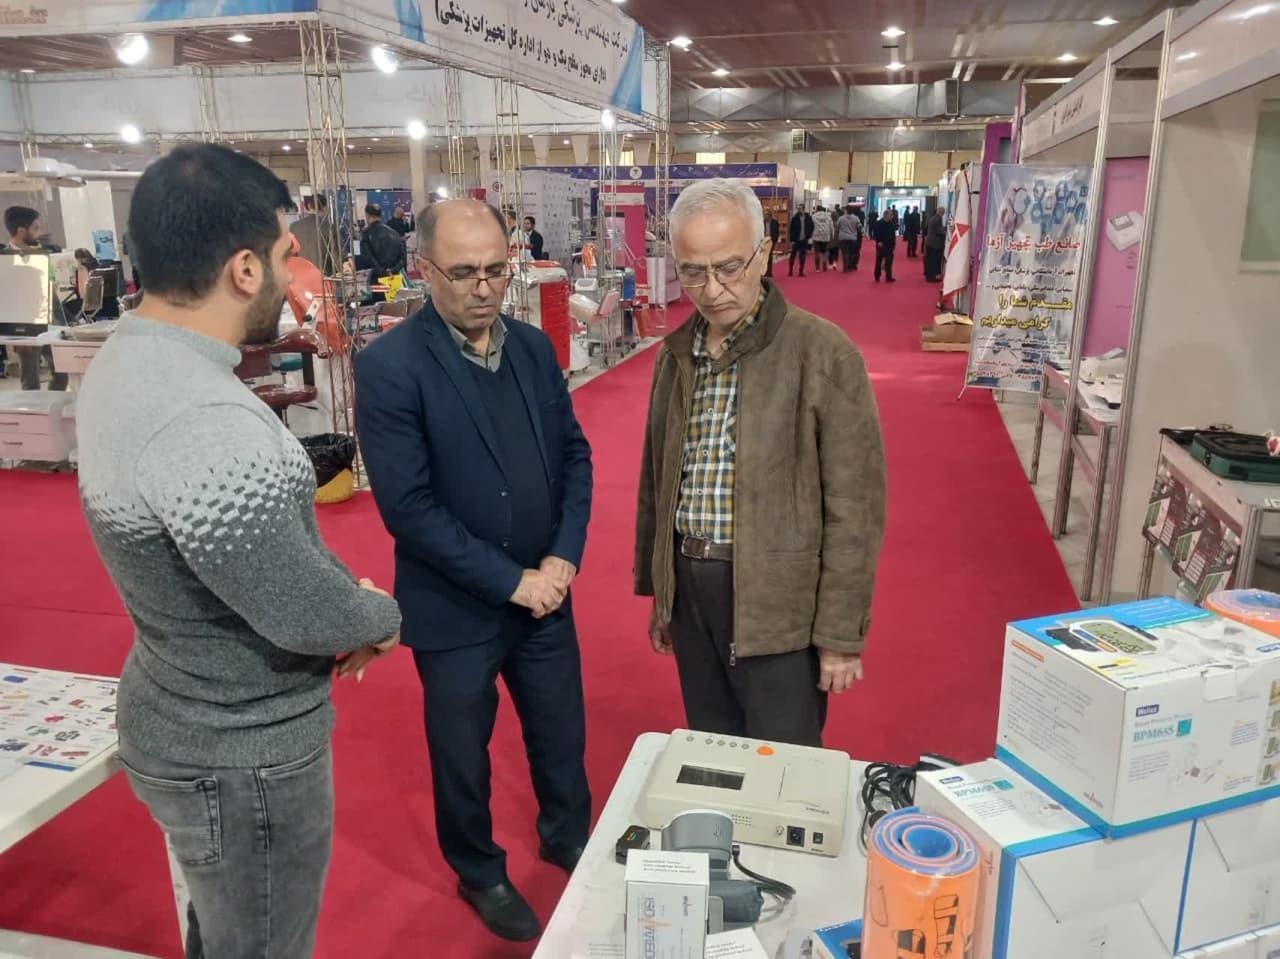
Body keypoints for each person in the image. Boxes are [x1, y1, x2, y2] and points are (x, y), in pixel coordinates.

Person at [74, 144, 403, 959]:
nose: (295, 275)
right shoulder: (205, 418)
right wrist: (375, 614)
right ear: (245, 269)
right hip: (241, 751)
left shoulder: (127, 359)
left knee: (224, 933)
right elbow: (298, 608)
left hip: (181, 709)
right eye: (288, 255)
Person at [355, 200, 593, 943]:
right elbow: (409, 508)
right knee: (462, 751)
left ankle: (568, 836)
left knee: (561, 731)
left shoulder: (532, 347)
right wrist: (511, 580)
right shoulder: (390, 367)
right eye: (464, 273)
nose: (485, 287)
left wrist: (562, 556)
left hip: (546, 591)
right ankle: (479, 870)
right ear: (424, 271)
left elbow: (575, 456)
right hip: (454, 604)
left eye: (497, 269)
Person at [634, 179, 887, 747]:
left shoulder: (822, 352)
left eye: (729, 267)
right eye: (692, 271)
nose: (712, 289)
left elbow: (855, 507)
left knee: (784, 762)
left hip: (778, 597)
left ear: (765, 252)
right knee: (715, 750)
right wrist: (663, 592)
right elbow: (659, 481)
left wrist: (841, 634)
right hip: (692, 588)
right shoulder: (676, 355)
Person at [2, 206, 68, 391]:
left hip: (51, 326)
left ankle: (52, 405)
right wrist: (15, 336)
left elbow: (50, 293)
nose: (40, 233)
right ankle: (33, 409)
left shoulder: (41, 255)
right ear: (21, 231)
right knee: (30, 379)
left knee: (62, 373)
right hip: (25, 329)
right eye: (36, 228)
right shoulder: (4, 260)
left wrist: (64, 325)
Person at [290, 195, 339, 276]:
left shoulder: (294, 226)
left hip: (300, 274)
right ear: (325, 208)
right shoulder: (328, 226)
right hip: (323, 276)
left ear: (309, 206)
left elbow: (291, 253)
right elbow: (335, 253)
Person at [356, 202, 407, 277]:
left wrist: (382, 272)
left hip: (375, 278)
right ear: (380, 215)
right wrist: (393, 270)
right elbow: (403, 256)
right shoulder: (394, 233)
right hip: (394, 278)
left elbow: (367, 258)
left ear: (367, 215)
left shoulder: (365, 234)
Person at [836, 205, 864, 272]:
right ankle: (851, 267)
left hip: (843, 237)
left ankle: (845, 268)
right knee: (852, 253)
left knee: (845, 253)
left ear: (846, 210)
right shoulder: (856, 218)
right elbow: (859, 227)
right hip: (853, 238)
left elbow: (837, 226)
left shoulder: (841, 218)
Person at [788, 205, 814, 277]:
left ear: (803, 209)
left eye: (800, 209)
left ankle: (801, 271)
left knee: (802, 256)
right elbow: (791, 229)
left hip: (804, 240)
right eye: (798, 209)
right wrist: (792, 240)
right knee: (793, 255)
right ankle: (790, 270)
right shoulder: (794, 218)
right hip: (796, 240)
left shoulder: (808, 218)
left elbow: (812, 226)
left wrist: (809, 235)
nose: (798, 210)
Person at [874, 208, 898, 283]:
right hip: (881, 244)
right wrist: (878, 241)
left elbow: (893, 235)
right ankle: (877, 275)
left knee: (889, 261)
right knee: (879, 260)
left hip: (889, 245)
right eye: (891, 215)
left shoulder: (891, 224)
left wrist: (893, 244)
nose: (892, 216)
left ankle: (888, 276)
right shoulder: (879, 223)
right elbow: (876, 234)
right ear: (886, 215)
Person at [925, 206, 947, 282]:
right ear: (941, 212)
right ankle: (932, 278)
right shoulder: (938, 219)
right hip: (935, 244)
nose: (943, 214)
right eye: (943, 213)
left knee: (929, 261)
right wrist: (946, 233)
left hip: (929, 242)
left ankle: (929, 276)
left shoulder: (932, 218)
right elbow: (939, 230)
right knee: (934, 261)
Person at [810, 205, 834, 273]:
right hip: (825, 236)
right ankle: (824, 265)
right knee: (825, 252)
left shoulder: (814, 216)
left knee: (817, 252)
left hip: (816, 236)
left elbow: (811, 226)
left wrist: (810, 235)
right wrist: (832, 235)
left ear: (817, 209)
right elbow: (831, 226)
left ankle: (817, 268)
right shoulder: (828, 216)